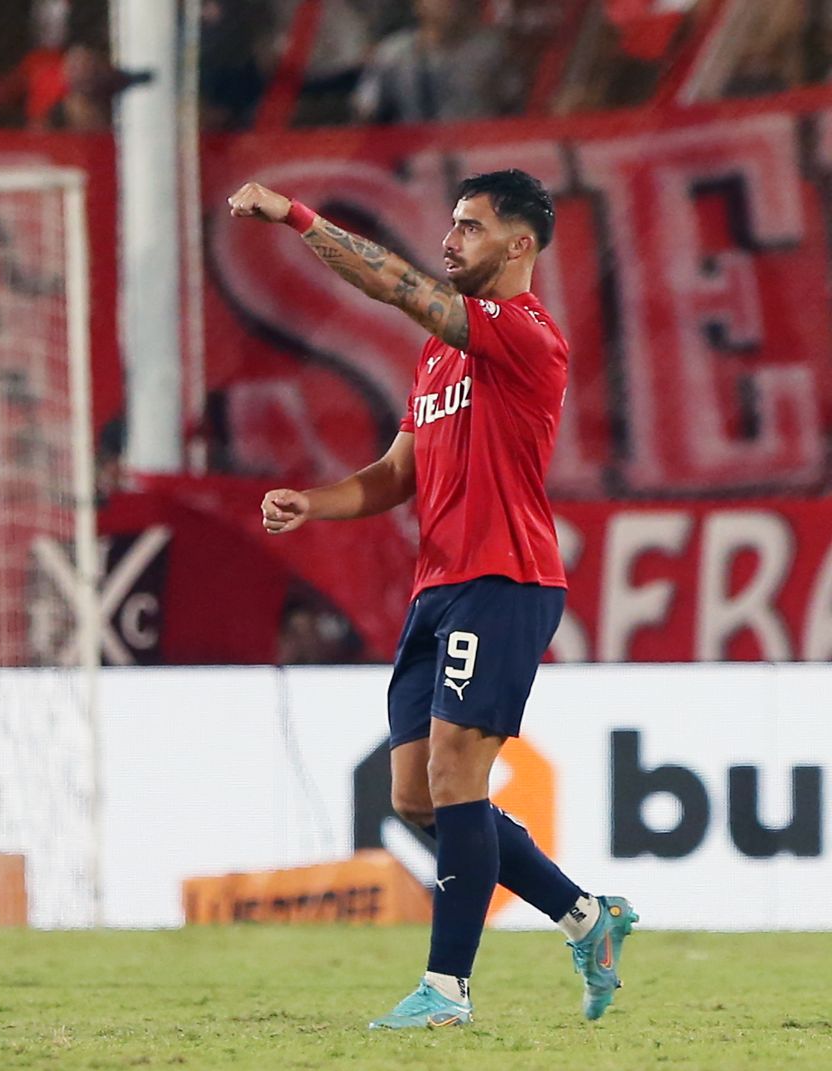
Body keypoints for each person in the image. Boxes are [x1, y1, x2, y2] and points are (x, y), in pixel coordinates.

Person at [230, 169, 639, 1028]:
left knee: (458, 771)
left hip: (505, 579)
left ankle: (446, 992)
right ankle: (586, 918)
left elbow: (397, 285)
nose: (451, 241)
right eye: (451, 225)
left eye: (471, 227)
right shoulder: (438, 355)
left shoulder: (527, 335)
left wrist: (297, 216)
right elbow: (392, 476)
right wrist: (315, 502)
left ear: (519, 245)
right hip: (437, 590)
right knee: (417, 796)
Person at [352, 0, 520, 124]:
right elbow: (365, 115)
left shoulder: (493, 49)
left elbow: (515, 108)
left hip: (481, 154)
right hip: (411, 157)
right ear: (418, 4)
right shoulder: (392, 54)